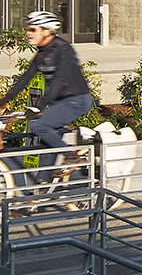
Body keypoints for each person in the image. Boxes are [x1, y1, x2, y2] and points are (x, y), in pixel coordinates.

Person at [11, 10, 97, 169]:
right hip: (60, 102)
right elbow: (26, 77)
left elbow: (59, 80)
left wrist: (40, 105)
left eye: (33, 30)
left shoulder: (62, 48)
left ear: (46, 31)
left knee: (40, 126)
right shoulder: (42, 52)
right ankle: (45, 187)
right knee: (45, 143)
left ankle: (72, 156)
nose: (28, 33)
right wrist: (2, 101)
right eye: (28, 29)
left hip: (76, 100)